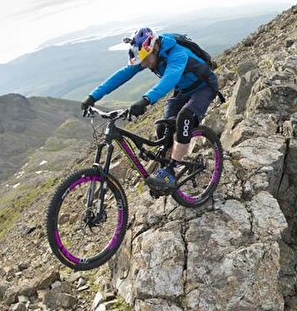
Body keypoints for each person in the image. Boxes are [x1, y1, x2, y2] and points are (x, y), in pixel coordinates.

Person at [81, 27, 219, 194]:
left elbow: (170, 79)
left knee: (185, 118)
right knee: (163, 127)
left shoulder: (178, 54)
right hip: (184, 90)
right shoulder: (150, 55)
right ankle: (165, 168)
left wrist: (145, 100)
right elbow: (122, 75)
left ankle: (170, 171)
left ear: (154, 47)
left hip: (204, 87)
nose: (144, 64)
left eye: (146, 59)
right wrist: (93, 96)